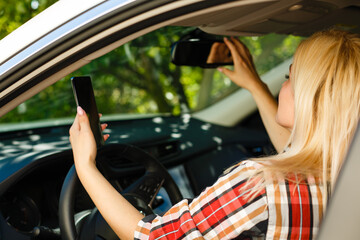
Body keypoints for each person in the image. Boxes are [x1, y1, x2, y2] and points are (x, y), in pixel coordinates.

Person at [69, 29, 360, 239]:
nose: (281, 87)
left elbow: (152, 237)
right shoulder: (343, 179)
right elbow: (295, 151)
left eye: (288, 78)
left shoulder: (259, 185)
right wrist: (255, 85)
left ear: (311, 98)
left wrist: (85, 166)